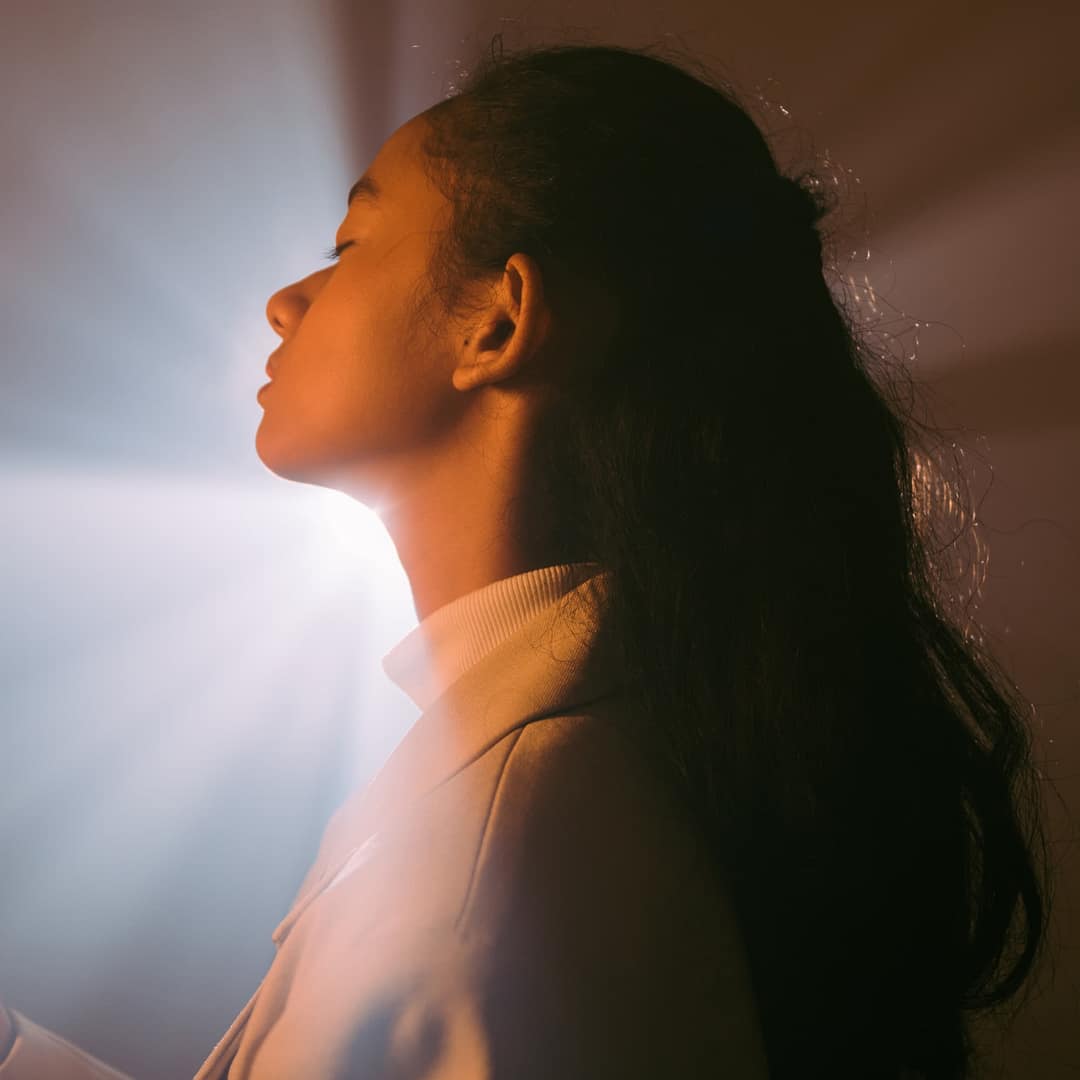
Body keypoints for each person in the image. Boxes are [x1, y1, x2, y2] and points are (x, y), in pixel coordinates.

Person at [0, 37, 1054, 1080]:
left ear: (499, 321)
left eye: (348, 246)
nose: (287, 302)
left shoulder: (504, 849)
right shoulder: (554, 777)